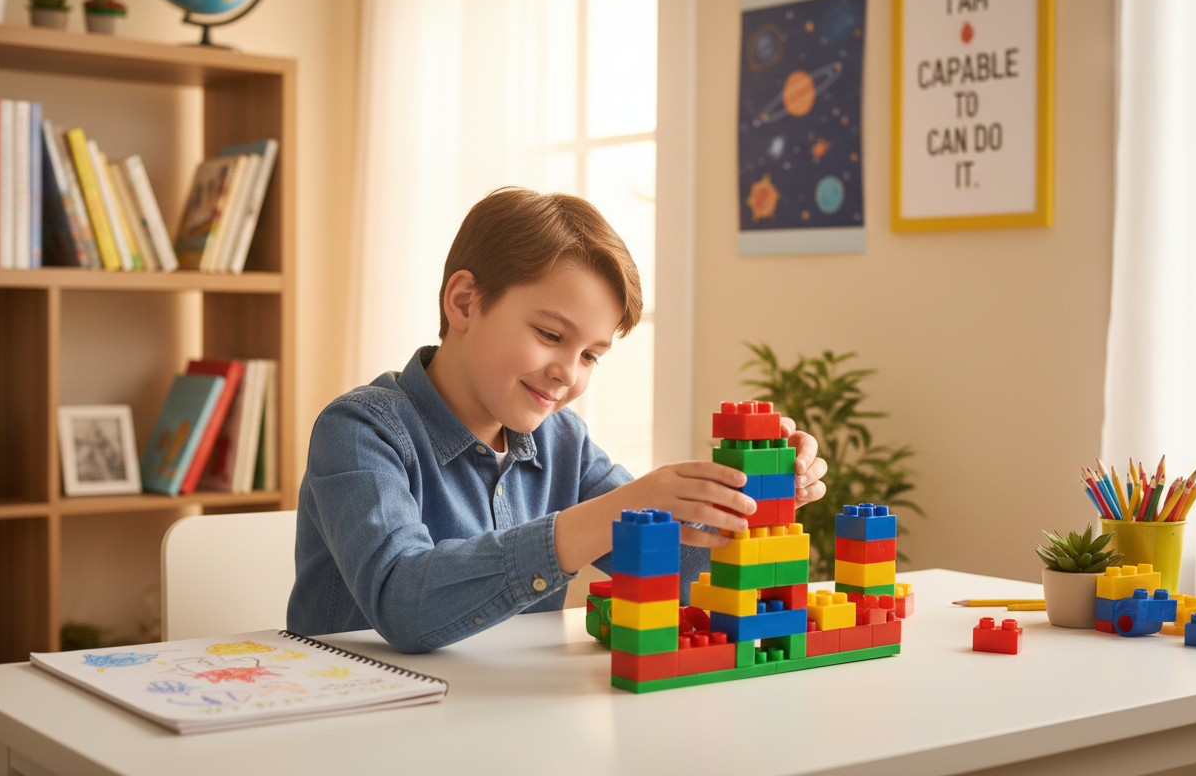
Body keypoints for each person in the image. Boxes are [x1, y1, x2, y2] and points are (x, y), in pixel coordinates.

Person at [287, 188, 827, 652]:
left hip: (511, 723)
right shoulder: (360, 431)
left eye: (591, 355)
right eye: (550, 336)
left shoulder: (563, 441)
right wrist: (614, 510)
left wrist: (757, 505)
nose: (567, 374)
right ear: (465, 302)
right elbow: (402, 599)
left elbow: (680, 574)